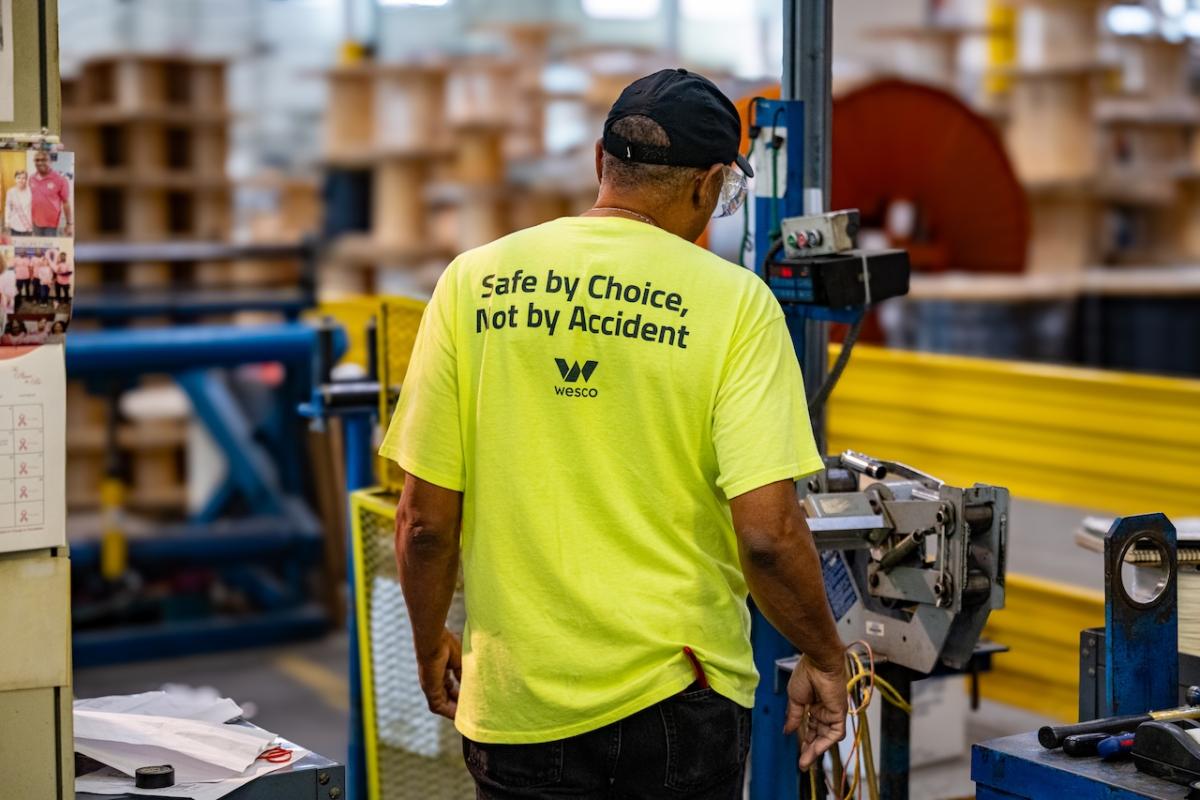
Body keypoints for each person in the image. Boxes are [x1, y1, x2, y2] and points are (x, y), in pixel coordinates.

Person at [380, 68, 848, 799]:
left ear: (601, 164)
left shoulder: (472, 281)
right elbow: (767, 535)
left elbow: (423, 525)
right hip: (677, 699)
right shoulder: (736, 306)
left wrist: (427, 640)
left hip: (516, 702)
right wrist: (825, 657)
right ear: (712, 186)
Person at [29, 151, 72, 237]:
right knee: (39, 245)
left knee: (49, 247)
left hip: (51, 224)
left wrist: (69, 224)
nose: (40, 162)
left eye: (44, 160)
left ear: (50, 162)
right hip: (35, 222)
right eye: (37, 160)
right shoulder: (31, 178)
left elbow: (66, 202)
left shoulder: (60, 179)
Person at [5, 169, 32, 236]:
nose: (21, 180)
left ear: (26, 180)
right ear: (15, 179)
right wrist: (7, 220)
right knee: (15, 245)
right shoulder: (10, 192)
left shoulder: (31, 191)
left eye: (23, 178)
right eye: (18, 178)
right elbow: (7, 207)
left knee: (27, 246)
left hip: (28, 225)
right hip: (15, 225)